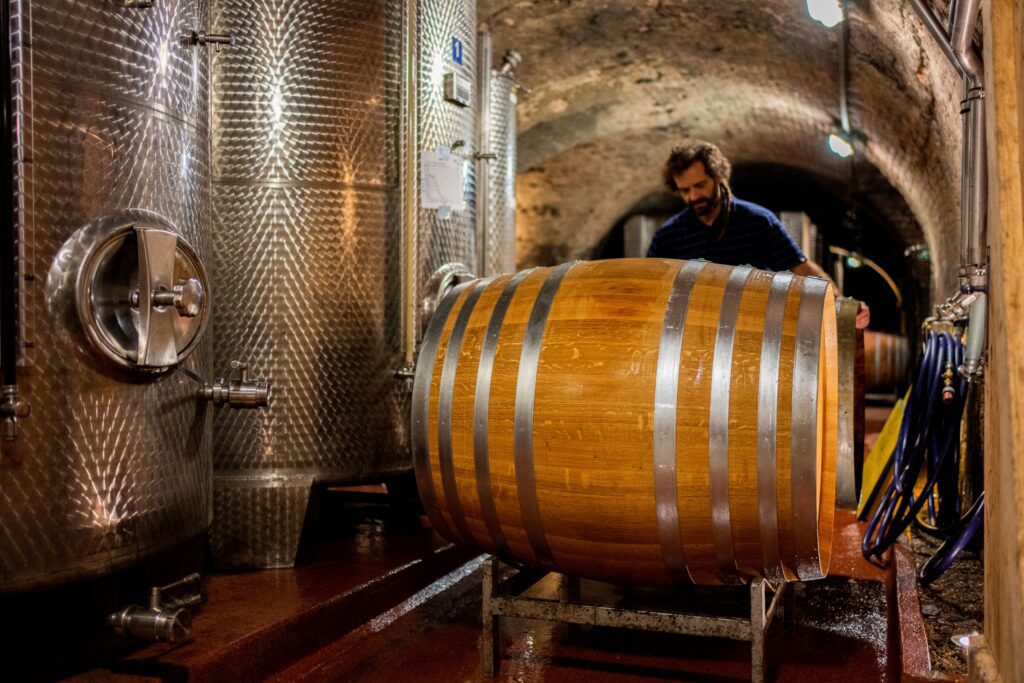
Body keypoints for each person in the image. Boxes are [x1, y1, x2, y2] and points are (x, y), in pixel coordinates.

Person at [647, 139, 869, 328]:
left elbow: (801, 268)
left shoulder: (757, 221)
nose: (693, 196)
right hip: (694, 333)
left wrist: (842, 305)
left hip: (752, 329)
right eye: (685, 190)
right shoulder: (669, 236)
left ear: (718, 176)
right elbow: (651, 288)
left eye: (700, 185)